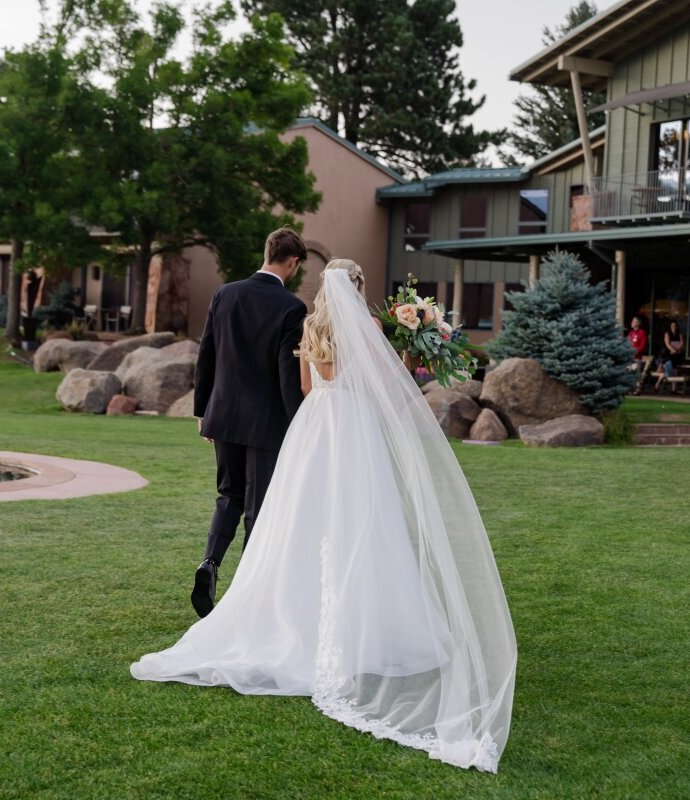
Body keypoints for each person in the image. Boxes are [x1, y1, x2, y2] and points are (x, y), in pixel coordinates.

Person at [132, 260, 517, 772]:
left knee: (301, 517)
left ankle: (294, 613)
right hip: (352, 424)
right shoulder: (372, 327)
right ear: (357, 288)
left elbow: (311, 389)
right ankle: (366, 620)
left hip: (315, 426)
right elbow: (385, 382)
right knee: (363, 516)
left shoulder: (311, 326)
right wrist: (412, 349)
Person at [190, 227, 308, 618]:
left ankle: (209, 563)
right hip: (266, 423)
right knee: (258, 506)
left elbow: (207, 354)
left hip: (223, 414)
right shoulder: (291, 307)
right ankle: (248, 595)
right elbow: (285, 374)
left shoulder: (225, 294)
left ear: (267, 251)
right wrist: (299, 424)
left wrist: (202, 411)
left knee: (229, 494)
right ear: (292, 261)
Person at [654, 320, 684, 392]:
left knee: (675, 372)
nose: (674, 327)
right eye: (672, 326)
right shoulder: (667, 334)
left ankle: (673, 389)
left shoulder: (679, 334)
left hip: (677, 356)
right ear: (670, 327)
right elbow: (667, 344)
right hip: (669, 355)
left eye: (675, 326)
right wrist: (672, 349)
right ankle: (657, 385)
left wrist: (677, 350)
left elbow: (682, 343)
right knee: (667, 370)